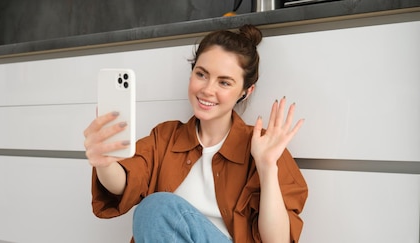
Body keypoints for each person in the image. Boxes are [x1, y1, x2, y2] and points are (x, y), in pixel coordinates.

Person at [84, 24, 308, 243]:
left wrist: (267, 167)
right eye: (201, 74)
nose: (207, 90)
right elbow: (124, 182)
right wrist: (104, 161)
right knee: (154, 209)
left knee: (157, 207)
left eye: (224, 82)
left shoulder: (264, 147)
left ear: (245, 92)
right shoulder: (165, 137)